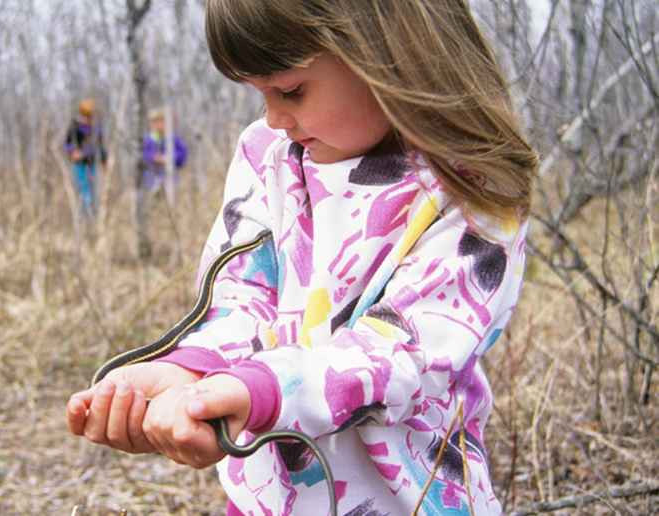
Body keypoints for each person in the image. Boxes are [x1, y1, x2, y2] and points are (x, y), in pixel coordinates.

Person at [66, 1, 538, 514]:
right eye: (259, 94)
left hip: (409, 500)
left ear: (386, 54)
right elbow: (242, 295)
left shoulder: (467, 192)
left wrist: (261, 390)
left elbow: (405, 355)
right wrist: (195, 376)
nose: (273, 116)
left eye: (291, 90)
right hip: (269, 498)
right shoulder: (266, 155)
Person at [136, 107, 189, 258]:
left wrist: (169, 158)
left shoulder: (173, 139)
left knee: (171, 213)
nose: (158, 125)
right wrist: (153, 158)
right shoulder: (148, 140)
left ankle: (172, 245)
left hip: (170, 181)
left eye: (161, 122)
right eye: (155, 122)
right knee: (152, 212)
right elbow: (142, 157)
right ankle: (152, 246)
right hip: (151, 181)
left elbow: (183, 156)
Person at [64, 98, 107, 218]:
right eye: (85, 115)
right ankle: (84, 216)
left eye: (90, 115)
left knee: (95, 191)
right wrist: (73, 153)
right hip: (79, 164)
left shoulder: (96, 128)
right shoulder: (74, 126)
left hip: (93, 163)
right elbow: (67, 144)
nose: (88, 119)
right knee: (83, 191)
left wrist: (105, 163)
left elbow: (101, 147)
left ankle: (94, 215)